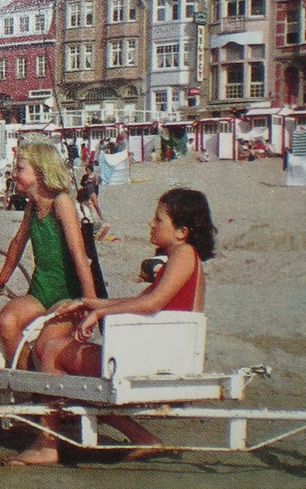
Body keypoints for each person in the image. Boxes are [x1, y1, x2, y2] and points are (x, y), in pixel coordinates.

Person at [12, 187, 217, 465]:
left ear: (182, 231)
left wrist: (95, 314)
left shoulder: (183, 254)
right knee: (66, 363)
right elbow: (141, 301)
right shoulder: (182, 258)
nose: (151, 224)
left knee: (51, 350)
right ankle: (141, 438)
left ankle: (47, 443)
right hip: (158, 352)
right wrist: (86, 303)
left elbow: (150, 304)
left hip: (152, 359)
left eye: (158, 220)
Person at [0, 140, 99, 367]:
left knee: (44, 347)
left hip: (67, 295)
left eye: (20, 169)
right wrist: (2, 277)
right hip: (40, 292)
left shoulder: (61, 203)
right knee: (6, 322)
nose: (14, 174)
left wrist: (90, 305)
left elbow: (80, 257)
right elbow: (17, 243)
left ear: (40, 171)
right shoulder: (32, 206)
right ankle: (28, 376)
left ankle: (39, 378)